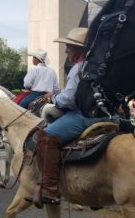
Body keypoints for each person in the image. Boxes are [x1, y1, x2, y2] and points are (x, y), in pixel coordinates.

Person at [26, 27, 109, 208]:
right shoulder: (102, 66)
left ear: (79, 49)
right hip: (107, 116)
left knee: (45, 136)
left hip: (83, 115)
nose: (66, 50)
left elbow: (68, 99)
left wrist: (55, 98)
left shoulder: (79, 68)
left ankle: (49, 188)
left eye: (69, 47)